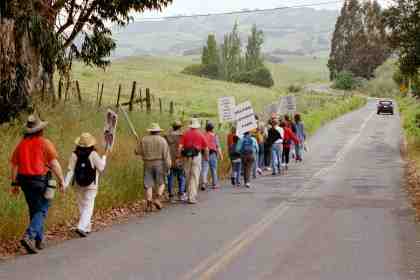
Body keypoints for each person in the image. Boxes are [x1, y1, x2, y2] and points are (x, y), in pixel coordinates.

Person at [10, 115, 65, 254]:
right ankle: (29, 236)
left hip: (24, 181)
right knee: (42, 209)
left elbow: (15, 166)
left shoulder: (21, 144)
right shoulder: (44, 143)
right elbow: (54, 163)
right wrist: (61, 180)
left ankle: (39, 240)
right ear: (40, 130)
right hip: (41, 181)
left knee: (34, 209)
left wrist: (14, 184)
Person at [64, 133, 108, 237]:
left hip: (78, 184)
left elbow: (70, 170)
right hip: (91, 185)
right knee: (88, 206)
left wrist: (65, 184)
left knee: (82, 205)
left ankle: (86, 227)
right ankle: (81, 227)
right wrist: (104, 157)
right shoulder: (93, 154)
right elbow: (101, 168)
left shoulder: (74, 154)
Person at [135, 123, 171, 212]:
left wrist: (139, 143)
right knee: (162, 183)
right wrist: (168, 166)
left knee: (148, 185)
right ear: (158, 131)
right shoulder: (162, 140)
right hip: (159, 164)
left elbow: (137, 152)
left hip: (147, 164)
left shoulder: (144, 140)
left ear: (150, 131)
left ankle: (149, 205)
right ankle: (158, 198)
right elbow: (166, 155)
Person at [179, 118, 209, 204]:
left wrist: (179, 157)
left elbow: (180, 147)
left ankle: (189, 195)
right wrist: (206, 157)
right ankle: (192, 197)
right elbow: (206, 148)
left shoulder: (185, 134)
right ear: (197, 126)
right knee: (195, 176)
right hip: (197, 156)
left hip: (186, 157)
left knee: (188, 176)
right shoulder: (200, 135)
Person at [165, 120, 186, 203]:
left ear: (172, 127)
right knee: (182, 177)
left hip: (170, 159)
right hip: (180, 159)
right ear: (180, 127)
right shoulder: (182, 136)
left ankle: (171, 196)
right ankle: (181, 194)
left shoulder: (167, 136)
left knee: (170, 178)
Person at [201, 122, 223, 190]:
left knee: (204, 169)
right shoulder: (215, 135)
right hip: (213, 153)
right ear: (212, 128)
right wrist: (220, 154)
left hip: (204, 153)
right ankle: (214, 184)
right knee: (213, 169)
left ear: (206, 128)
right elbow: (218, 146)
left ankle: (203, 183)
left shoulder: (203, 135)